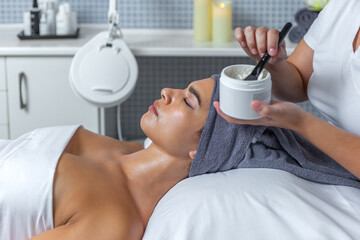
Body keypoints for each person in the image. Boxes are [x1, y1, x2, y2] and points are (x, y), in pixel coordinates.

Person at [0, 77, 214, 240]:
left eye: (188, 102)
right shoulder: (126, 149)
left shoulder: (114, 223)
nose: (166, 92)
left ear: (201, 150)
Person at [214, 0, 360, 179]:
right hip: (335, 167)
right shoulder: (343, 6)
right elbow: (299, 80)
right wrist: (274, 63)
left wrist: (301, 123)